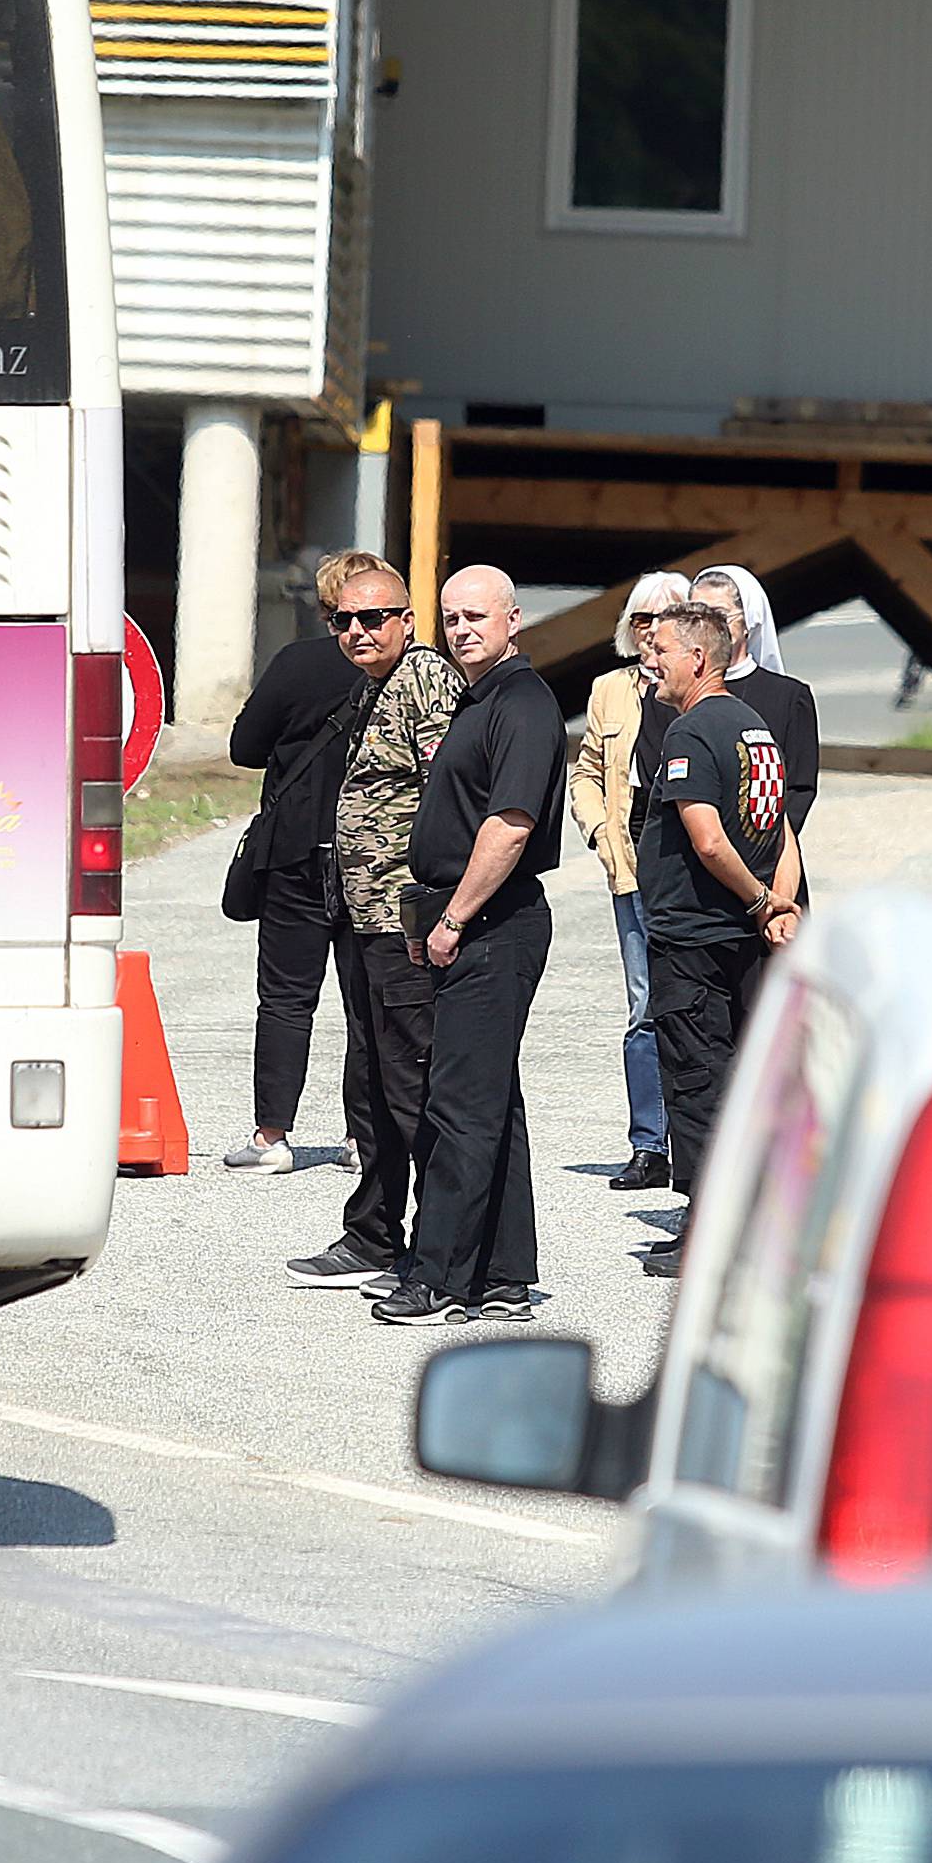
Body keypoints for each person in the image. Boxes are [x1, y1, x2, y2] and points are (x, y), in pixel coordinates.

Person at [375, 565, 567, 1328]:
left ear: (512, 619)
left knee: (457, 1107)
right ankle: (502, 1274)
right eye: (450, 617)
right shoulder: (477, 698)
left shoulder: (522, 704)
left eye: (476, 616)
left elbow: (510, 825)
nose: (461, 629)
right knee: (492, 1103)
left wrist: (452, 920)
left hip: (492, 921)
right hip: (467, 916)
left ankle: (438, 1279)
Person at [284, 559, 462, 1293]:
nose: (357, 632)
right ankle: (373, 1233)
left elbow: (451, 789)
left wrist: (437, 910)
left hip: (404, 918)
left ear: (407, 621)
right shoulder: (370, 687)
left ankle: (432, 1248)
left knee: (410, 1086)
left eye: (374, 618)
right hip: (362, 916)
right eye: (344, 621)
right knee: (371, 1082)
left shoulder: (422, 679)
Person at [637, 601, 802, 1279]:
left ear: (698, 660)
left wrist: (763, 899)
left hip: (697, 938)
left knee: (699, 1082)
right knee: (741, 1078)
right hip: (743, 935)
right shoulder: (754, 727)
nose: (652, 664)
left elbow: (707, 840)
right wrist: (778, 903)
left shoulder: (694, 730)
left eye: (662, 652)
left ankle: (708, 1230)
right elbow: (784, 830)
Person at [221, 550, 364, 1175]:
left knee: (284, 998)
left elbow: (244, 747)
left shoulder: (297, 663)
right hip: (374, 854)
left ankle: (271, 1136)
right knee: (371, 1002)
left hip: (295, 850)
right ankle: (366, 1137)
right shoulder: (409, 670)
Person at [568, 570, 690, 1193]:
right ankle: (649, 1143)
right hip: (632, 871)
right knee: (643, 1007)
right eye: (641, 619)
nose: (651, 630)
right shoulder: (610, 690)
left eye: (665, 617)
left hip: (692, 870)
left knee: (692, 1005)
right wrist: (597, 832)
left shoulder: (700, 692)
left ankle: (699, 1139)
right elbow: (586, 770)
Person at [690, 564, 820, 835]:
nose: (707, 626)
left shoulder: (790, 698)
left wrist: (759, 847)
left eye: (719, 614)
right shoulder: (672, 695)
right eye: (695, 615)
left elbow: (798, 789)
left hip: (767, 856)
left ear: (749, 619)